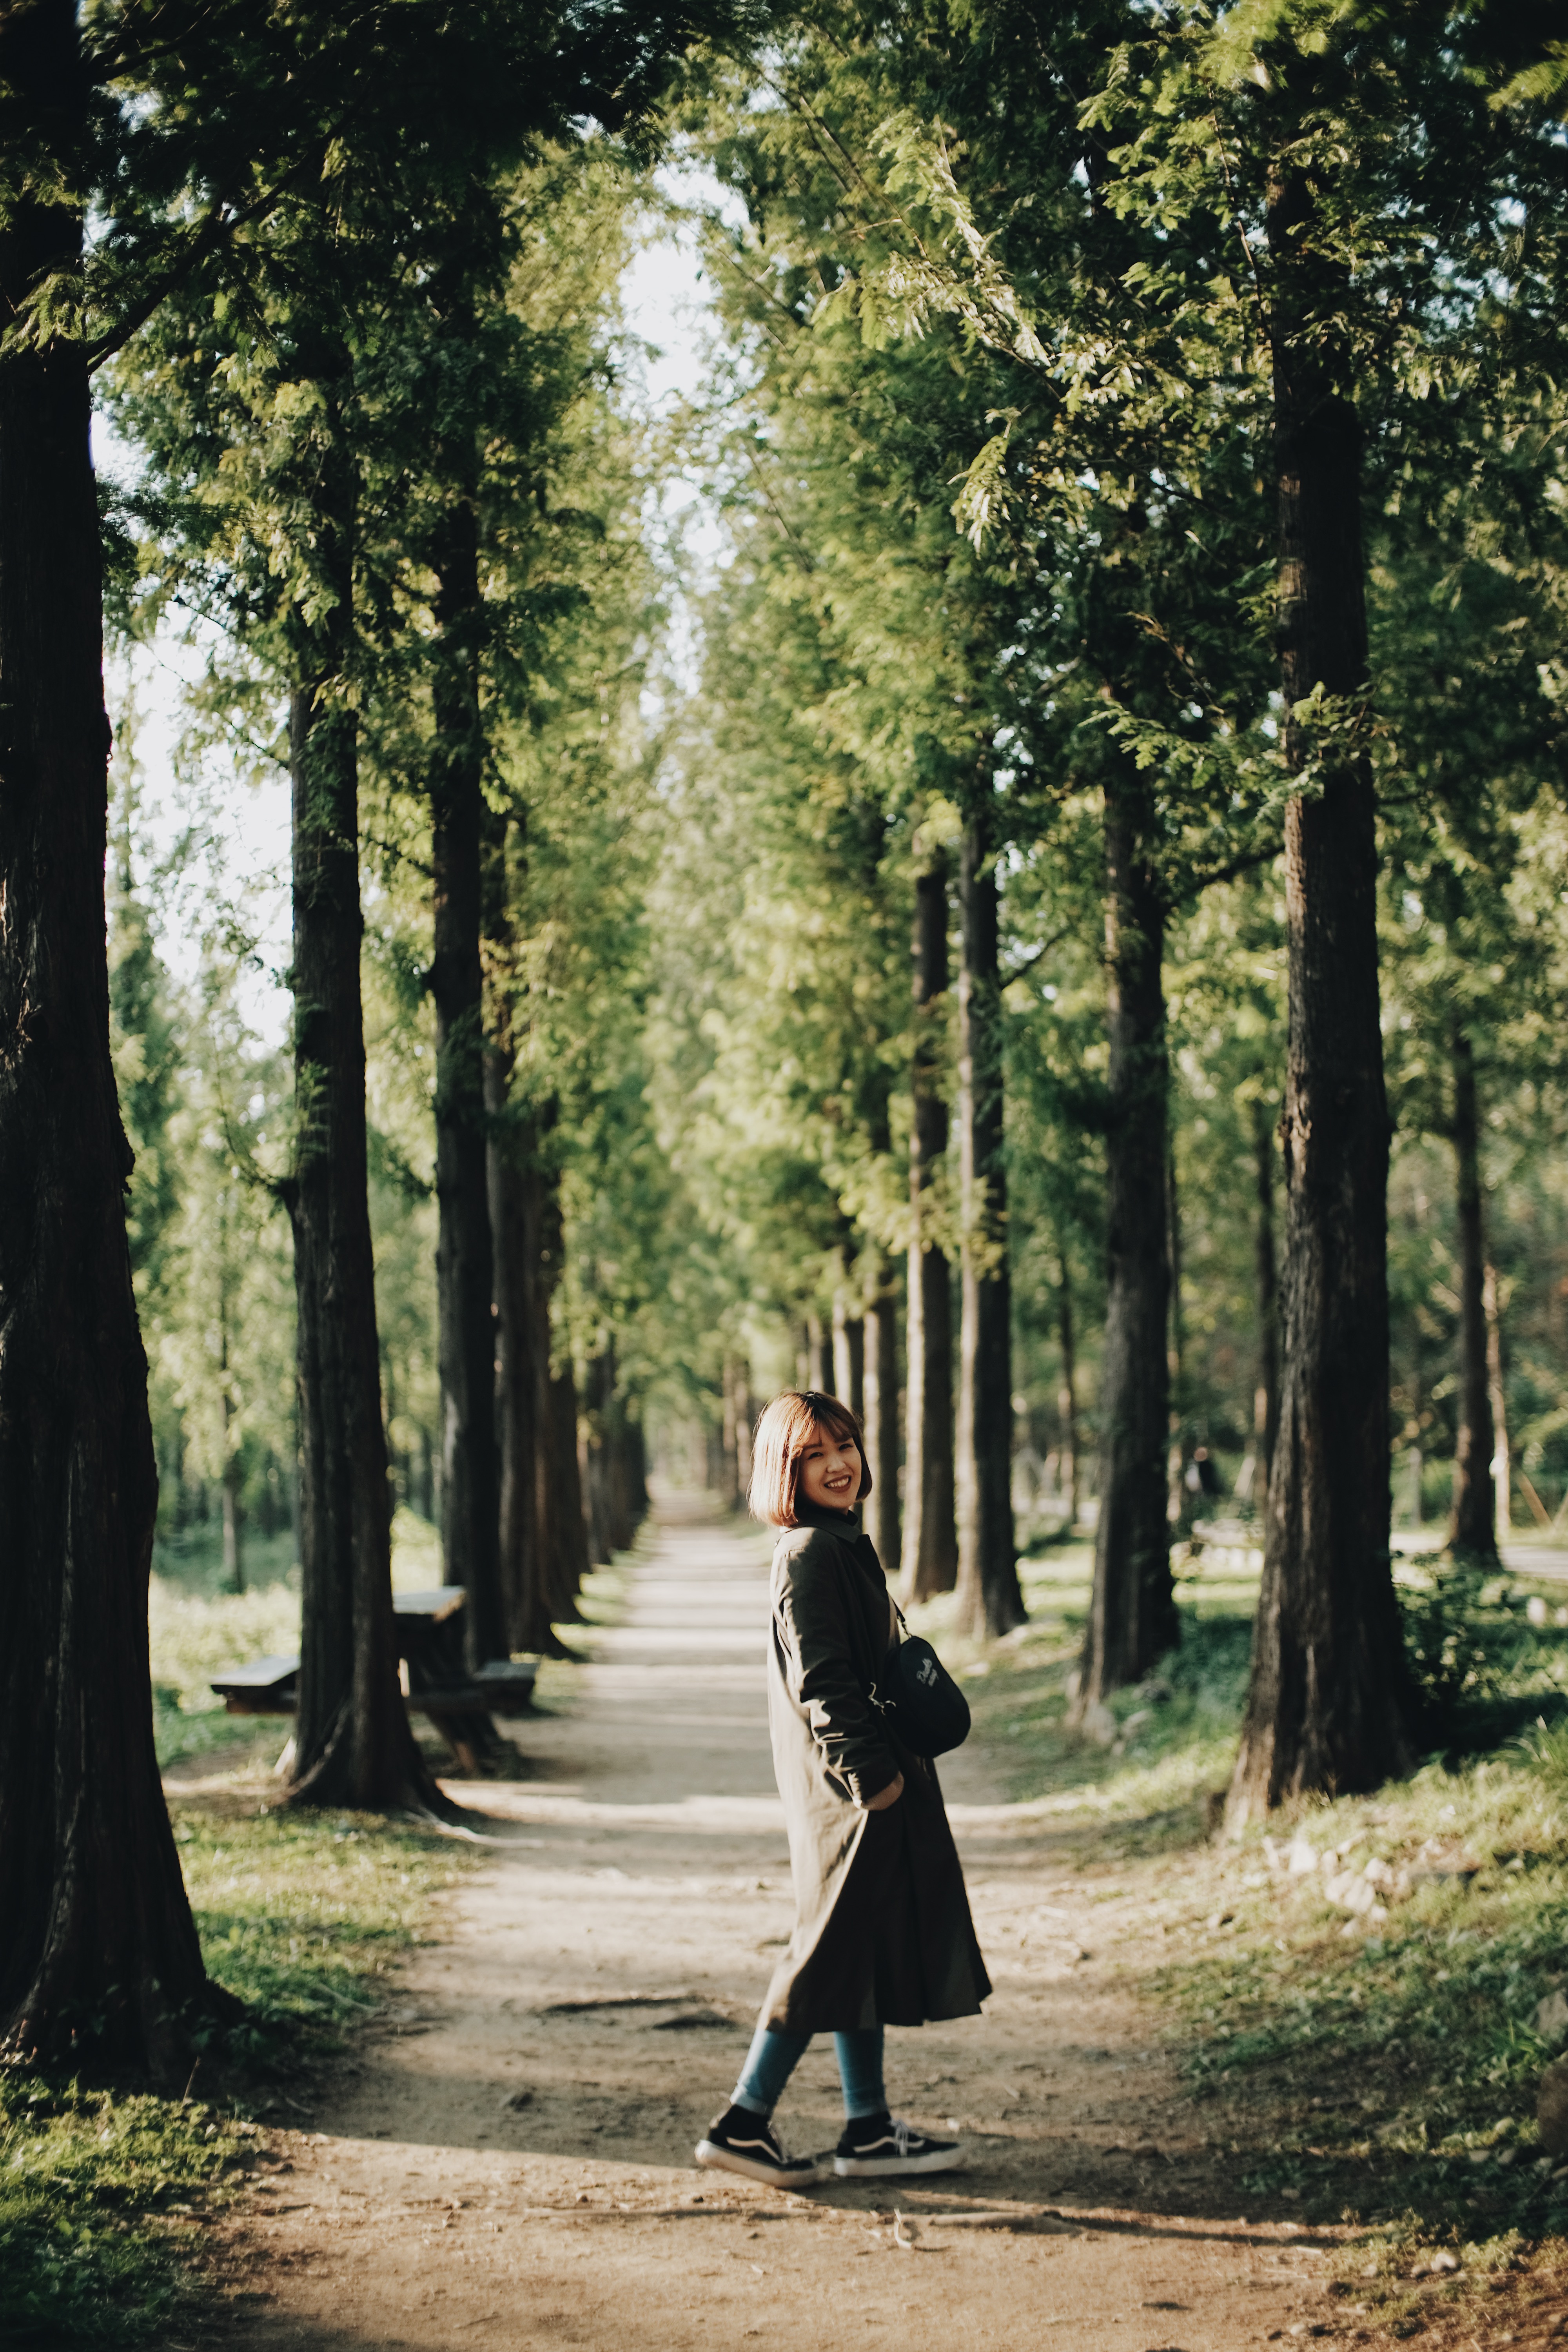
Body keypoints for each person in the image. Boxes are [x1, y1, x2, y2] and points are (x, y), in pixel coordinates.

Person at [695, 1389, 991, 2188]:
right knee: (823, 1953)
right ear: (782, 1470)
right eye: (813, 1454)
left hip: (861, 1790)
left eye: (846, 1445)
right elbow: (822, 1682)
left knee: (852, 1950)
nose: (838, 1463)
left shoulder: (836, 1543)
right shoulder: (807, 1554)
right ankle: (741, 2122)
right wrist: (874, 1781)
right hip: (852, 1798)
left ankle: (865, 2127)